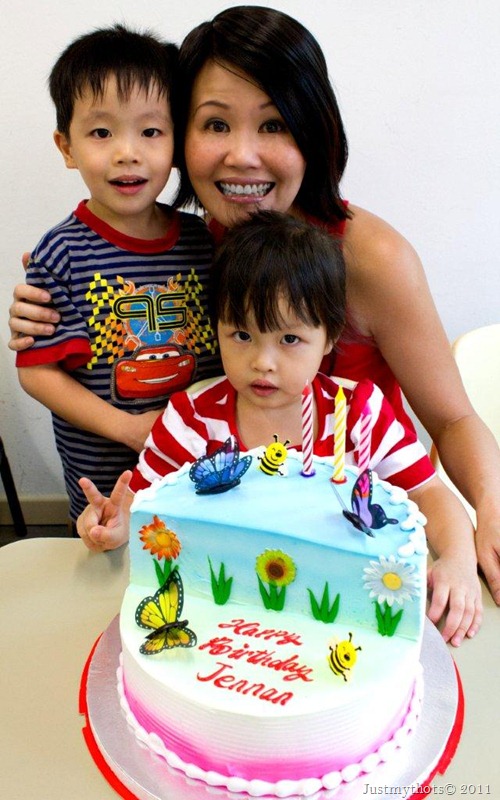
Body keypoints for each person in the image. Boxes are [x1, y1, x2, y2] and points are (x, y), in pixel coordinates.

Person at [8, 7, 500, 610]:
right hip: (226, 542)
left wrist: (489, 511)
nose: (242, 155)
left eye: (274, 124)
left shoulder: (371, 258)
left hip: (353, 541)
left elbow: (453, 420)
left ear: (314, 132)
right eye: (216, 124)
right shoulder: (196, 244)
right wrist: (49, 298)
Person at [77, 211, 482, 647]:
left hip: (340, 631)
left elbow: (428, 492)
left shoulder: (360, 415)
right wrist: (114, 526)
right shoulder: (191, 420)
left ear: (329, 337)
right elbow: (141, 504)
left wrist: (458, 558)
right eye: (241, 335)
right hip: (223, 628)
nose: (262, 362)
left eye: (289, 339)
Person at [14, 24, 218, 524]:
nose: (128, 152)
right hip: (108, 480)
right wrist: (129, 429)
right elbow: (38, 372)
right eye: (102, 133)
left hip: (201, 474)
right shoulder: (62, 253)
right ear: (67, 147)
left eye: (151, 131)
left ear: (177, 141)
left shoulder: (204, 240)